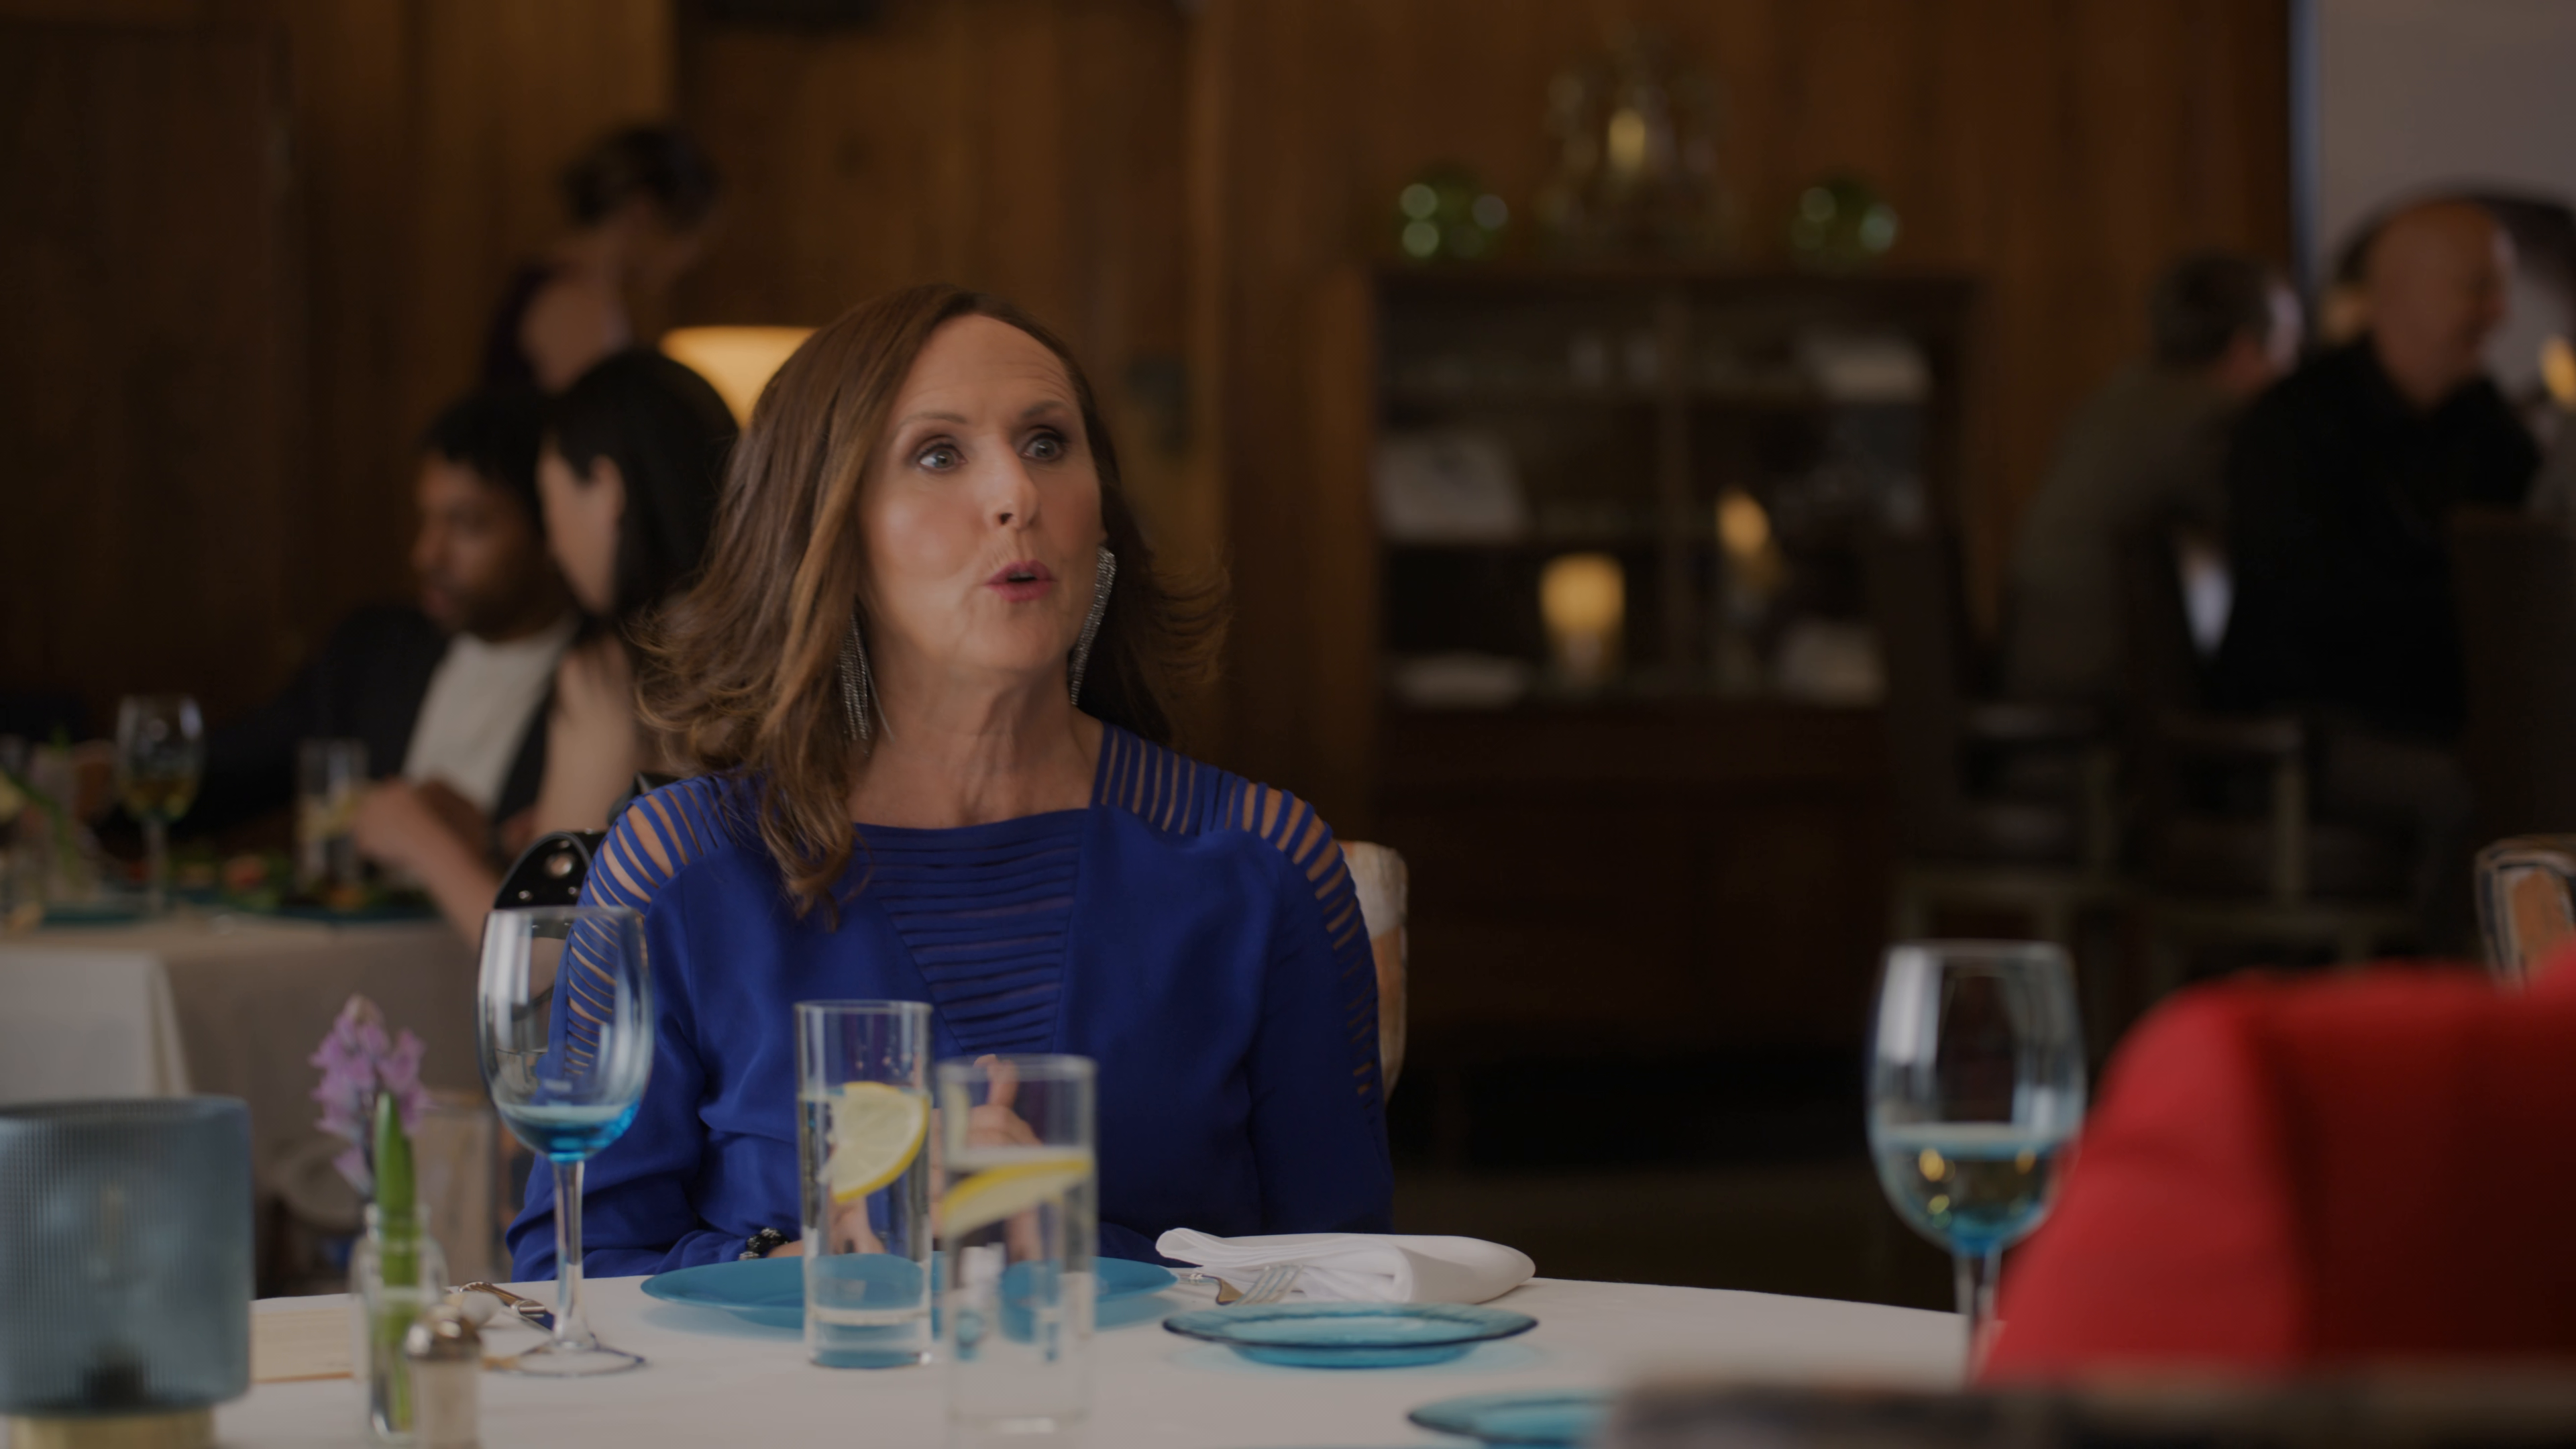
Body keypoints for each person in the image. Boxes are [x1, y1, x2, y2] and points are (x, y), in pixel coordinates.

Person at [504, 285, 1392, 1277]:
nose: (1017, 493)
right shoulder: (683, 868)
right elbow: (568, 1272)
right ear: (827, 532)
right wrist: (837, 1252)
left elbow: (1352, 1287)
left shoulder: (1262, 864)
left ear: (1100, 520)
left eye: (1048, 443)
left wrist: (1057, 1245)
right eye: (938, 454)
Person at [355, 350, 735, 941]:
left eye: (551, 502)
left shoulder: (613, 676)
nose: (554, 548)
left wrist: (422, 842)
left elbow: (549, 957)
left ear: (606, 490)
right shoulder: (771, 649)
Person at [185, 390, 573, 847]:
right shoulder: (371, 650)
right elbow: (235, 769)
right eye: (426, 519)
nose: (426, 555)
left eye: (467, 524)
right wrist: (127, 774)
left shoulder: (604, 683)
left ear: (553, 529)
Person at [2214, 199, 2539, 740]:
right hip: (2322, 733)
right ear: (2399, 292)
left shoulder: (2483, 419)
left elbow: (2531, 559)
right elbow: (2315, 622)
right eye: (2479, 288)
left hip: (2453, 717)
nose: (2500, 313)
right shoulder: (2294, 424)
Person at [2003, 252, 2301, 702]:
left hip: (2040, 661)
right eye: (2288, 348)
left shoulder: (2119, 397)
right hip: (2107, 682)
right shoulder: (2212, 418)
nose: (2292, 370)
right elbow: (2282, 538)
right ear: (2244, 352)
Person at [482, 125, 720, 394]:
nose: (690, 258)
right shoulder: (576, 303)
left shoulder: (568, 288)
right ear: (643, 212)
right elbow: (594, 417)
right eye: (689, 238)